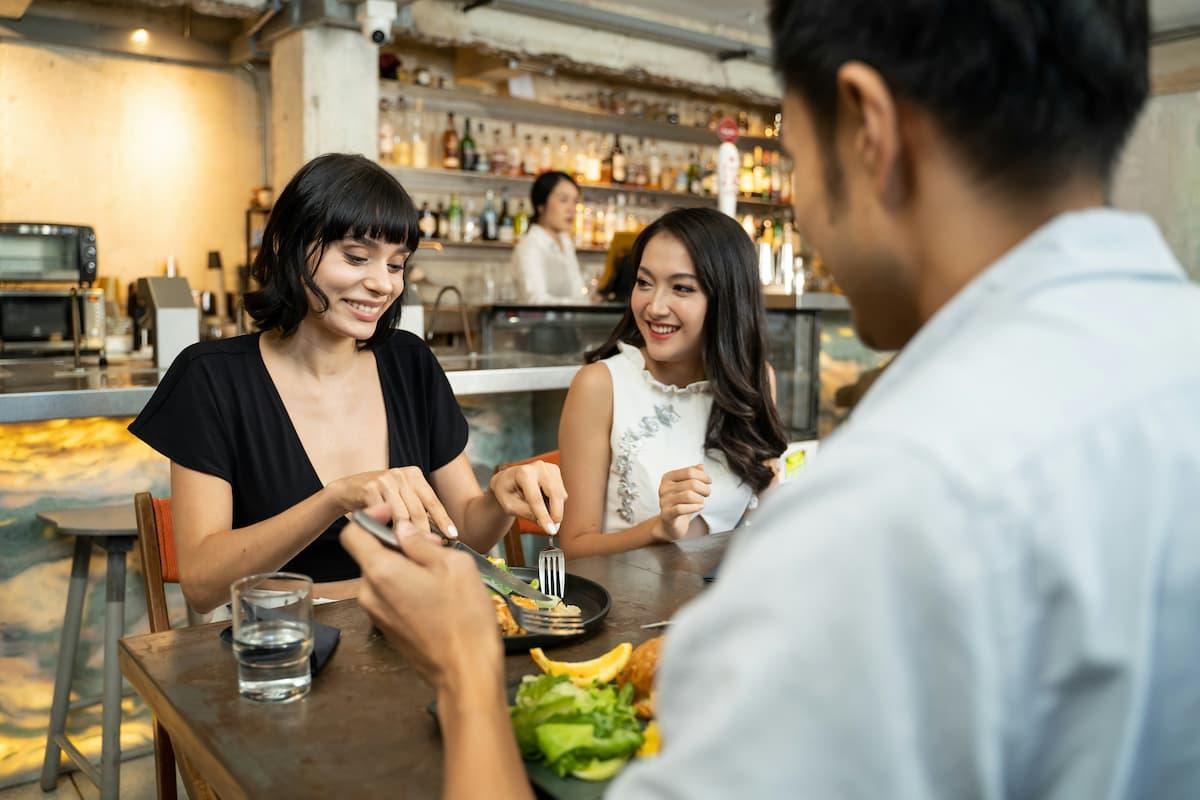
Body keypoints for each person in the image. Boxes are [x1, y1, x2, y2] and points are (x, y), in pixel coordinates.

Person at [341, 0, 1200, 796]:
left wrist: (463, 668)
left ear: (866, 128)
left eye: (794, 160)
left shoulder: (895, 498)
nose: (808, 217)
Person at [129, 153, 565, 614]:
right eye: (356, 257)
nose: (382, 284)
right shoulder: (212, 378)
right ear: (289, 246)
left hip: (409, 631)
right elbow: (202, 585)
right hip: (286, 642)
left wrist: (499, 500)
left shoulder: (409, 364)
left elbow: (466, 532)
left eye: (396, 265)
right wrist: (334, 499)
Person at [555, 207, 787, 557]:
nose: (654, 307)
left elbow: (759, 520)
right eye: (644, 283)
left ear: (726, 300)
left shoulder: (754, 381)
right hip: (626, 592)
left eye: (681, 288)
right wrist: (658, 529)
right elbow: (575, 549)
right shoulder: (600, 386)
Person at [510, 171, 587, 304]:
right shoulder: (529, 246)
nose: (572, 209)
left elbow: (578, 294)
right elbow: (535, 301)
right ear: (541, 205)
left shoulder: (566, 243)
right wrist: (579, 304)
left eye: (575, 202)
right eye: (563, 200)